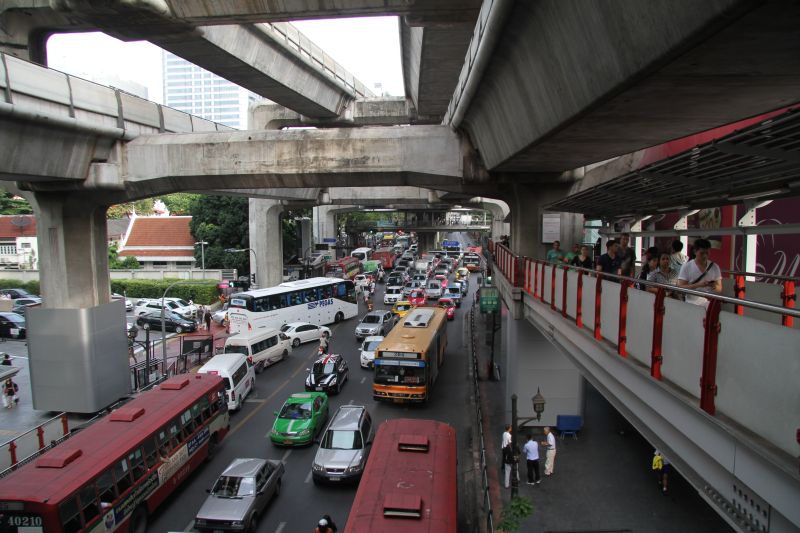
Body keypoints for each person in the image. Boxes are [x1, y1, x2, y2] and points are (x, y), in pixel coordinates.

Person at [678, 238, 722, 307]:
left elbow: (719, 288)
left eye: (707, 253)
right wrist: (698, 285)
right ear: (695, 252)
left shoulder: (715, 267)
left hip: (709, 304)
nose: (705, 256)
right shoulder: (686, 267)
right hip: (691, 304)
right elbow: (680, 288)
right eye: (702, 253)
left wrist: (713, 286)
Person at [502, 424, 513, 489]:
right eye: (510, 427)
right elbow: (509, 443)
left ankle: (503, 467)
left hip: (504, 448)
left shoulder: (504, 433)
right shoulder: (509, 435)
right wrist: (511, 449)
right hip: (507, 450)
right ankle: (517, 478)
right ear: (509, 428)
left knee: (504, 459)